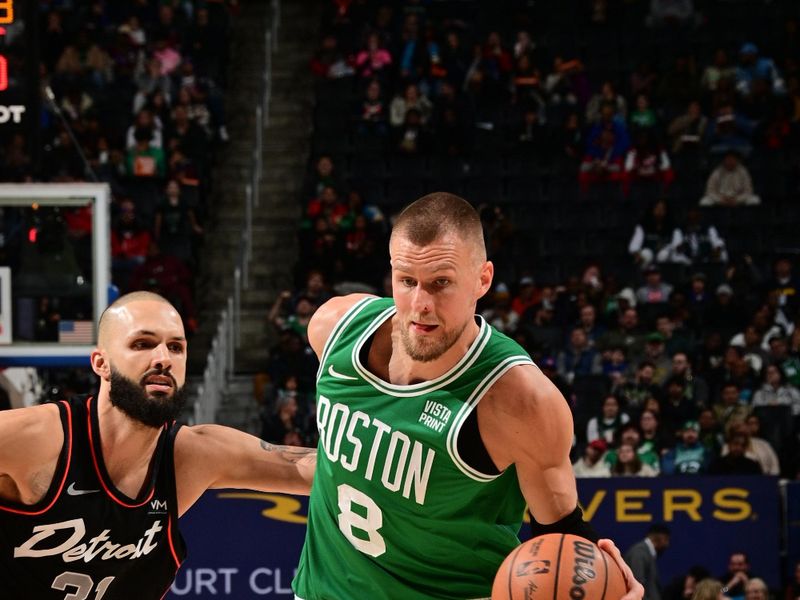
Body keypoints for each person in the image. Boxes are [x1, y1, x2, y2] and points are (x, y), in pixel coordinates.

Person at [292, 193, 643, 600]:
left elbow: (560, 534)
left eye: (441, 283)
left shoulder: (520, 400)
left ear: (483, 278)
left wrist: (604, 584)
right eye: (407, 281)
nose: (420, 305)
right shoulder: (334, 327)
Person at [0, 291, 315, 598]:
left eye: (176, 347)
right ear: (101, 363)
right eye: (142, 344)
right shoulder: (38, 438)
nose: (163, 358)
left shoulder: (192, 455)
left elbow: (311, 468)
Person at [624, 524, 671, 600]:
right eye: (666, 539)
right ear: (659, 537)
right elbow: (638, 584)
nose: (667, 544)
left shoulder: (647, 553)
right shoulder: (639, 553)